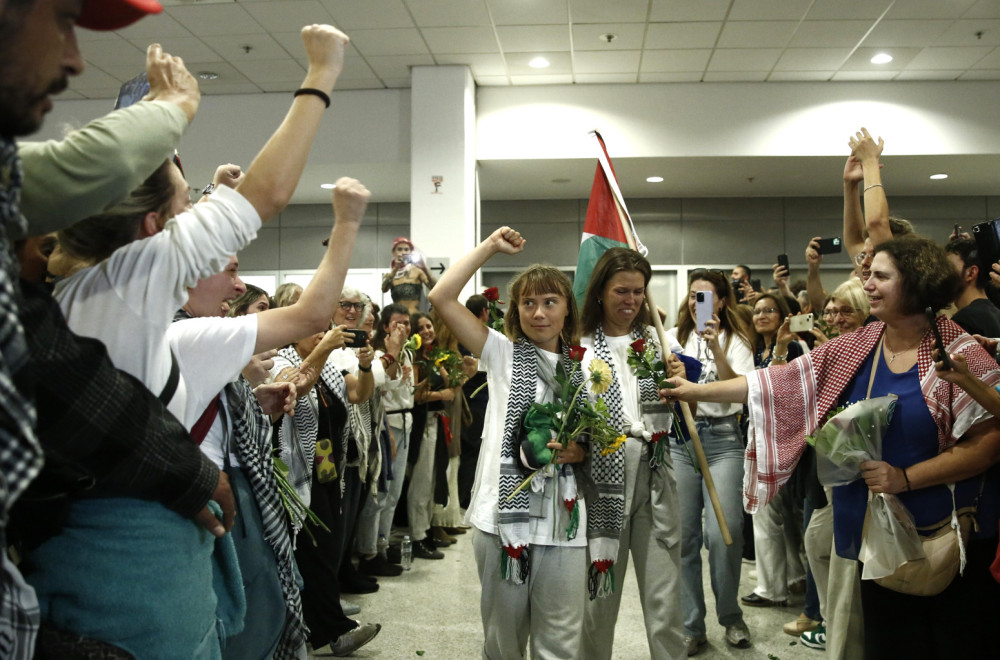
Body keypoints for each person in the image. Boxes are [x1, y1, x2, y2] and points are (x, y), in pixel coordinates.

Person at [662, 236, 1000, 660]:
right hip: (876, 540)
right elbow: (778, 382)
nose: (867, 283)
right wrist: (695, 391)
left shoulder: (959, 351)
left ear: (916, 283)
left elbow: (989, 445)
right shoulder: (862, 343)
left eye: (881, 276)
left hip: (947, 539)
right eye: (868, 274)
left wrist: (905, 478)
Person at [428, 227, 597, 659]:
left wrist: (579, 451)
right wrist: (489, 247)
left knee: (560, 642)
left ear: (567, 309)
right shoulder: (501, 353)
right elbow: (441, 298)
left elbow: (597, 443)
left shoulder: (587, 369)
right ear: (515, 310)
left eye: (550, 302)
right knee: (502, 642)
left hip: (563, 522)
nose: (538, 313)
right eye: (528, 303)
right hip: (501, 520)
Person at [576, 248, 687, 660]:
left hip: (656, 471)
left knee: (665, 599)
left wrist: (681, 382)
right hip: (601, 476)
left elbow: (683, 408)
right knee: (597, 600)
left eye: (639, 292)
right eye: (622, 291)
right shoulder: (579, 346)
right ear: (600, 292)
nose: (632, 300)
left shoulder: (658, 340)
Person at [668, 269, 755, 655]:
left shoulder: (738, 340)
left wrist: (716, 347)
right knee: (684, 537)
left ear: (721, 301)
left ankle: (730, 616)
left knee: (725, 532)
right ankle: (691, 625)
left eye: (704, 296)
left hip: (723, 439)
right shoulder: (673, 337)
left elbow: (739, 392)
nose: (696, 303)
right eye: (692, 295)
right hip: (682, 439)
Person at [740, 293, 807, 610]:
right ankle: (794, 575)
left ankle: (770, 588)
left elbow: (790, 392)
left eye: (769, 310)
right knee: (779, 514)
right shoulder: (754, 350)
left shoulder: (795, 347)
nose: (761, 315)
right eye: (757, 310)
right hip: (757, 434)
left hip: (782, 437)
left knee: (766, 512)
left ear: (783, 316)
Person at [945, 237, 1000, 337]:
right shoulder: (996, 313)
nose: (942, 274)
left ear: (971, 273)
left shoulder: (964, 319)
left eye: (948, 267)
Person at [382, 236, 436, 313]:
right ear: (394, 252)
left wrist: (425, 269)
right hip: (397, 314)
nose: (403, 252)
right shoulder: (390, 274)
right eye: (399, 249)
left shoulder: (417, 271)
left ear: (411, 252)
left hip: (414, 315)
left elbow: (434, 288)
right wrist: (395, 269)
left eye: (406, 249)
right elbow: (384, 289)